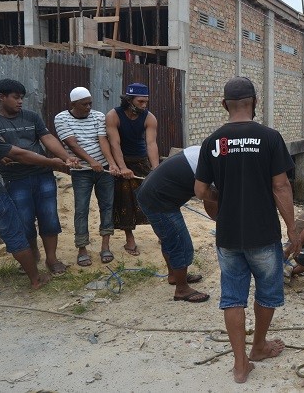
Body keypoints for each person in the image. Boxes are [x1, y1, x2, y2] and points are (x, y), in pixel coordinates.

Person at [194, 76, 298, 384]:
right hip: (263, 235)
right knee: (267, 292)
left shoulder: (213, 141)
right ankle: (259, 347)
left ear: (224, 105)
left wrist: (221, 205)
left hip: (228, 236)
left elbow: (201, 189)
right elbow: (281, 186)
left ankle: (240, 365)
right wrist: (292, 228)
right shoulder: (269, 138)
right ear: (255, 102)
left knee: (233, 297)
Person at [0, 88, 70, 291]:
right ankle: (36, 279)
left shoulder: (29, 117)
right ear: (2, 97)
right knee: (15, 233)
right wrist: (51, 162)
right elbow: (18, 154)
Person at [136, 146, 217, 303]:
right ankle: (181, 289)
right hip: (158, 200)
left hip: (150, 194)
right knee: (180, 243)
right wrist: (220, 220)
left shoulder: (203, 152)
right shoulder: (216, 166)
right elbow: (210, 199)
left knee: (169, 239)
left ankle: (174, 275)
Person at [54, 87, 120, 266]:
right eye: (85, 104)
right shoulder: (62, 118)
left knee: (107, 206)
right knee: (81, 209)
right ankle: (82, 248)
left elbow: (102, 140)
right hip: (81, 172)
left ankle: (105, 246)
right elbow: (72, 144)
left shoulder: (98, 116)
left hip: (103, 170)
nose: (89, 107)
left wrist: (111, 163)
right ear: (73, 104)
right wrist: (91, 162)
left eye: (90, 103)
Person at [106, 82, 159, 257]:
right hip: (122, 162)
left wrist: (156, 169)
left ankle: (162, 233)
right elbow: (114, 143)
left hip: (141, 161)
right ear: (129, 100)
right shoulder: (114, 116)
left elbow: (151, 144)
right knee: (125, 202)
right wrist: (122, 167)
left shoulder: (149, 118)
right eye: (140, 102)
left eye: (146, 101)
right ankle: (130, 240)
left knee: (153, 198)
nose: (144, 105)